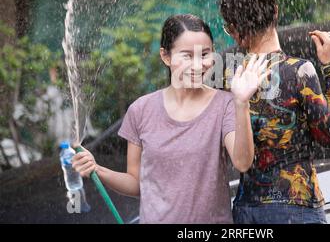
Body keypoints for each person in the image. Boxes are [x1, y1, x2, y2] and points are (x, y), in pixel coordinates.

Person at [72, 14, 271, 223]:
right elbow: (136, 183)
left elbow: (242, 162)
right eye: (187, 56)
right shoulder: (141, 110)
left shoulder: (225, 104)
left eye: (204, 54)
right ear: (166, 57)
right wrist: (97, 169)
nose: (197, 65)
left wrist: (242, 104)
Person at [219, 0, 330, 224]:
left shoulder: (231, 77)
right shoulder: (299, 71)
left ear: (233, 29)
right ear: (275, 10)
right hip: (296, 207)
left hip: (246, 208)